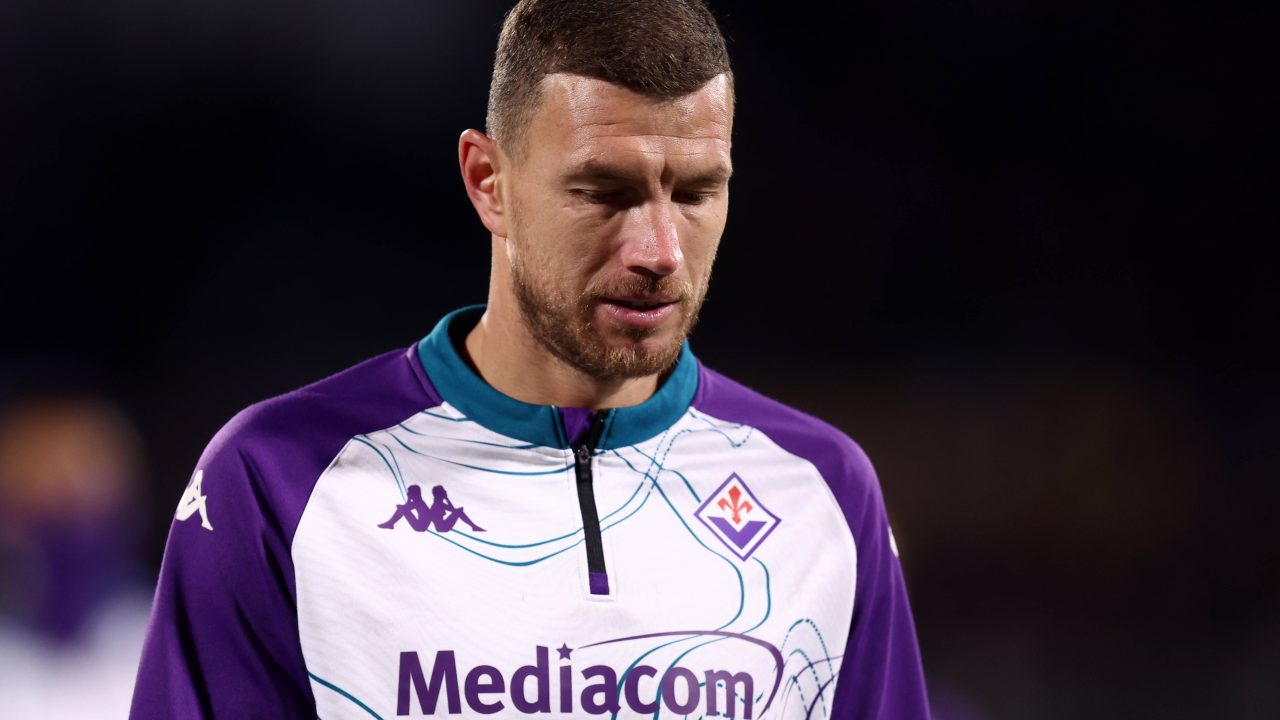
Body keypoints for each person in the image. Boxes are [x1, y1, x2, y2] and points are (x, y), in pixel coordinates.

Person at [130, 1, 930, 717]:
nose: (659, 251)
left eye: (694, 193)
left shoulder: (821, 492)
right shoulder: (281, 479)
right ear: (489, 183)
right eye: (603, 192)